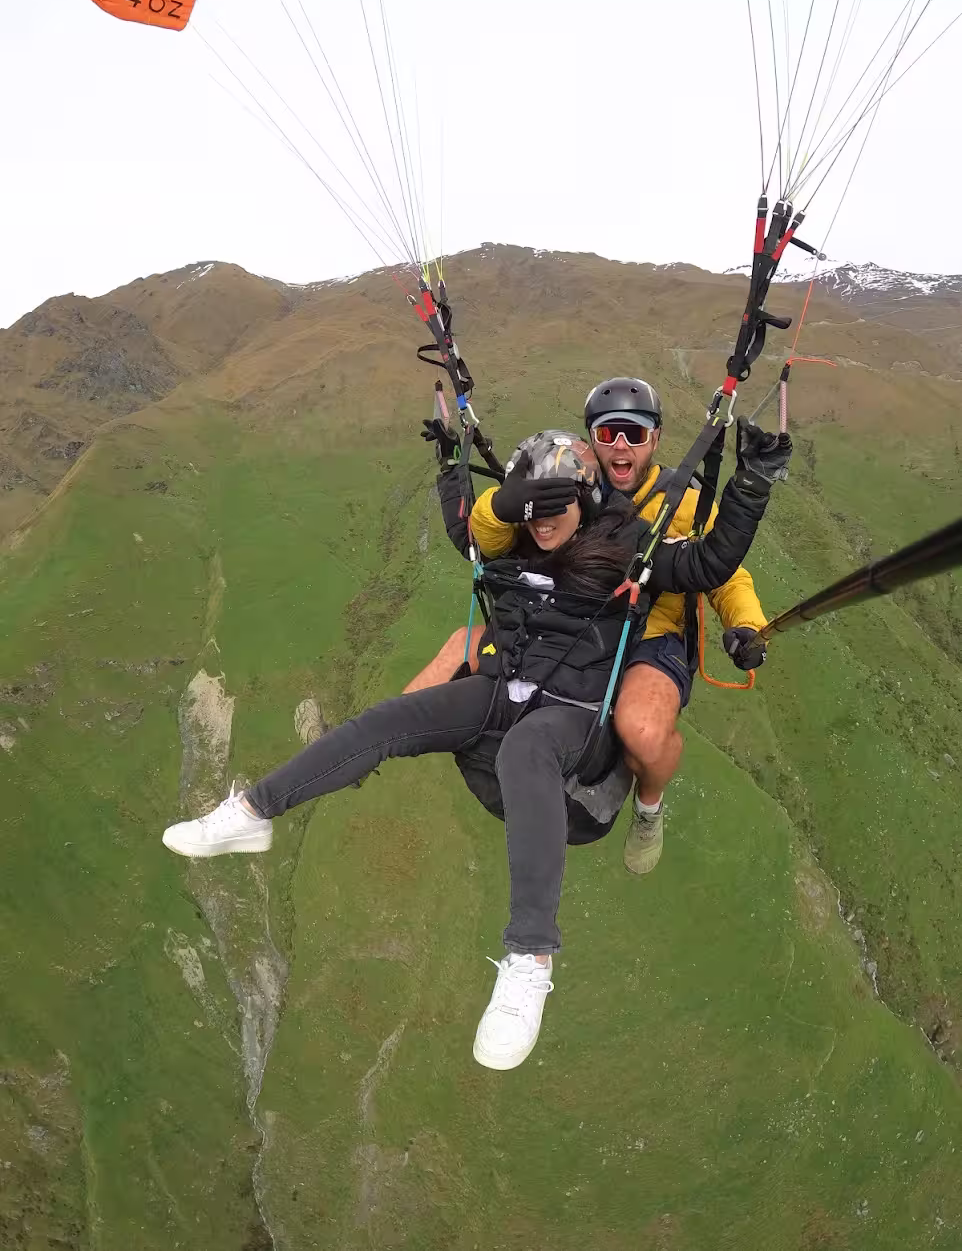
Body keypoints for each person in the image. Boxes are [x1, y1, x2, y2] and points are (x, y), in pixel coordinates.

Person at [163, 426, 787, 1070]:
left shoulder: (630, 548)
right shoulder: (514, 544)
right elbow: (468, 524)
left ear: (585, 499)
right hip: (505, 688)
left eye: (556, 507)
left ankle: (529, 960)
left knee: (525, 751)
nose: (542, 523)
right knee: (391, 718)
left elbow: (712, 565)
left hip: (576, 720)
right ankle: (253, 814)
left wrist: (753, 484)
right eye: (531, 508)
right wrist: (451, 470)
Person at [430, 377, 787, 876]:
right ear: (590, 439)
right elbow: (493, 539)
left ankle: (648, 807)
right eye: (608, 434)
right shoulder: (572, 481)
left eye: (634, 435)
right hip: (576, 624)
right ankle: (372, 748)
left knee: (640, 729)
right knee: (458, 661)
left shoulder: (680, 500)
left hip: (652, 632)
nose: (621, 446)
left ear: (655, 440)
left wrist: (746, 623)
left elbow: (723, 573)